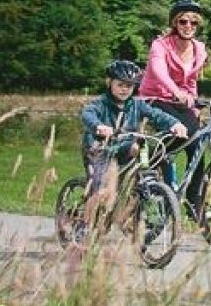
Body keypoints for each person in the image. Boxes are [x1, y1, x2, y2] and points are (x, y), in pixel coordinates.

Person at [81, 60, 189, 236]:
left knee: (139, 148)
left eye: (129, 86)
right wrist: (98, 126)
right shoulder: (100, 103)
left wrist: (175, 124)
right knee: (102, 191)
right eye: (120, 85)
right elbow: (88, 114)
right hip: (99, 149)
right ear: (109, 83)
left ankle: (134, 196)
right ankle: (84, 226)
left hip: (123, 147)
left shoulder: (137, 104)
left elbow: (157, 115)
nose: (125, 89)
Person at [139, 0, 208, 203]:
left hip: (180, 101)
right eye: (183, 21)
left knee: (198, 143)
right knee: (180, 132)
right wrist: (176, 92)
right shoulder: (160, 46)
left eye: (193, 22)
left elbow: (192, 80)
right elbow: (159, 72)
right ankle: (148, 162)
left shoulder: (200, 49)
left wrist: (193, 104)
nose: (188, 26)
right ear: (174, 23)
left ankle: (193, 197)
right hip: (155, 98)